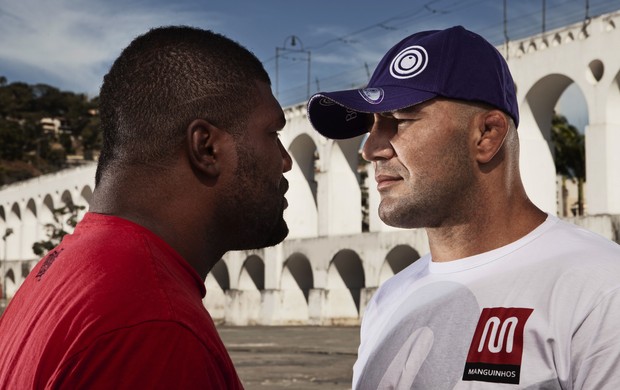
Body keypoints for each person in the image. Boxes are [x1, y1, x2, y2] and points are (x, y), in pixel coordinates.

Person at [307, 25, 620, 389]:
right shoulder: (388, 300)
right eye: (372, 126)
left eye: (397, 122)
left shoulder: (599, 289)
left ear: (487, 135)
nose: (369, 150)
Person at [0, 26, 292, 388]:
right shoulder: (156, 327)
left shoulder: (60, 272)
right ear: (206, 148)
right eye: (273, 134)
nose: (286, 160)